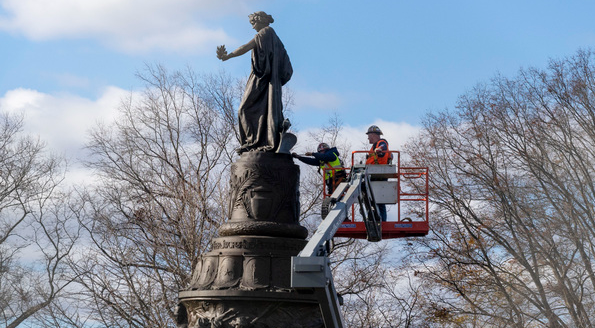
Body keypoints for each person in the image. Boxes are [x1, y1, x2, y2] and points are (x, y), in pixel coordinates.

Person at [217, 11, 293, 154]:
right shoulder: (274, 37)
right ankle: (257, 142)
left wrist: (228, 56)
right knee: (262, 110)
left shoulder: (265, 33)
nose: (252, 27)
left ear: (262, 21)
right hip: (267, 80)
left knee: (244, 109)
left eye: (253, 23)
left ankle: (252, 142)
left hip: (262, 79)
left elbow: (246, 47)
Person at [365, 125, 392, 221]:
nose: (368, 137)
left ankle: (381, 221)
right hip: (374, 173)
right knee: (374, 199)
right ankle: (374, 218)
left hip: (378, 174)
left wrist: (379, 149)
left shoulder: (381, 142)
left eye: (369, 135)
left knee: (379, 200)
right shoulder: (374, 146)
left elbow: (383, 147)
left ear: (373, 134)